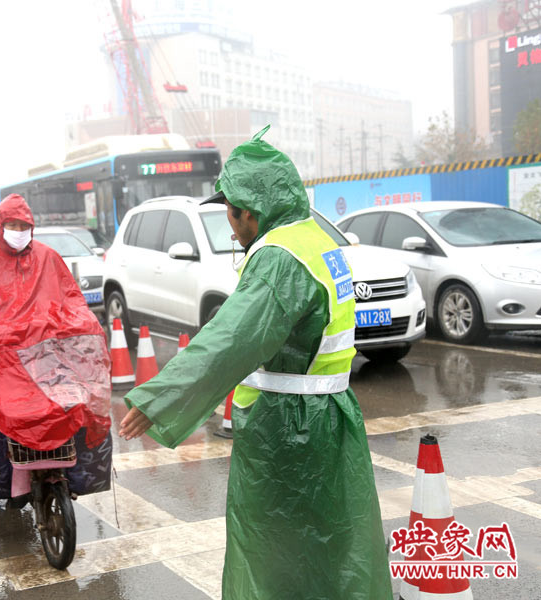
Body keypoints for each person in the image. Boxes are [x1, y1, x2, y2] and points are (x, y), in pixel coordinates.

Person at [119, 126, 392, 599]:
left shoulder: (279, 259)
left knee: (276, 553)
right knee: (333, 544)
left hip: (288, 433)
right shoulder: (315, 239)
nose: (229, 225)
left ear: (250, 209)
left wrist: (160, 400)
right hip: (331, 418)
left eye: (229, 212)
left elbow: (230, 339)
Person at [0, 194, 112, 502]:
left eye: (24, 225)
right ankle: (2, 480)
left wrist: (81, 326)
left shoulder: (48, 257)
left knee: (81, 398)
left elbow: (70, 301)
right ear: (0, 226)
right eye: (12, 225)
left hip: (45, 355)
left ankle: (78, 476)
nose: (18, 230)